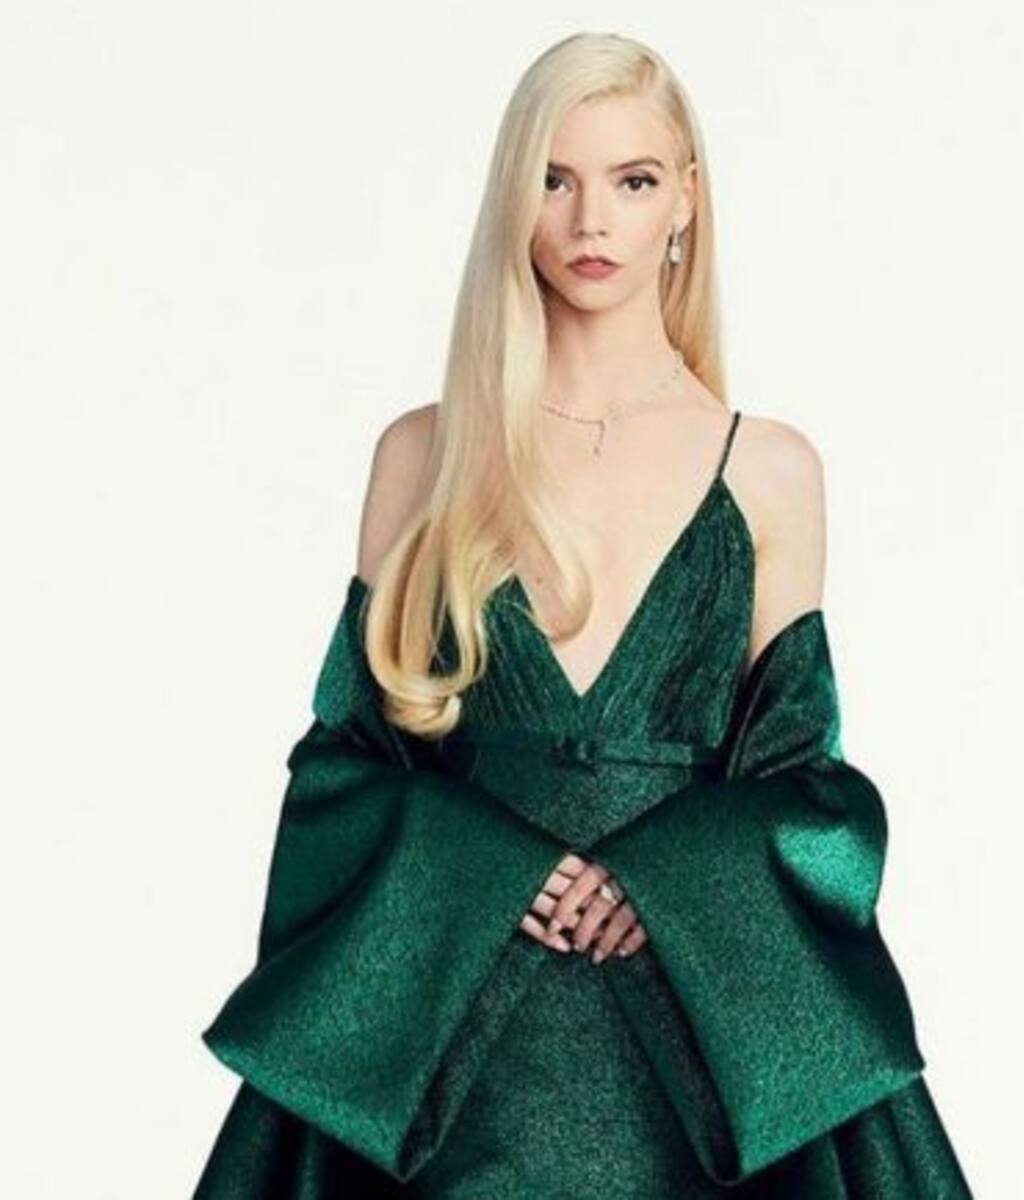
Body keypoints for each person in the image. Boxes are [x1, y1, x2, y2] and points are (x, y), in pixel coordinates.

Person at [194, 30, 973, 1198]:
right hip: (455, 1056)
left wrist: (660, 880)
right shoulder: (424, 456)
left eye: (633, 180)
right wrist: (495, 870)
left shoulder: (768, 471)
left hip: (694, 1058)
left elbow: (806, 791)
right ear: (512, 199)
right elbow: (344, 768)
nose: (590, 220)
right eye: (554, 180)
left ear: (687, 200)